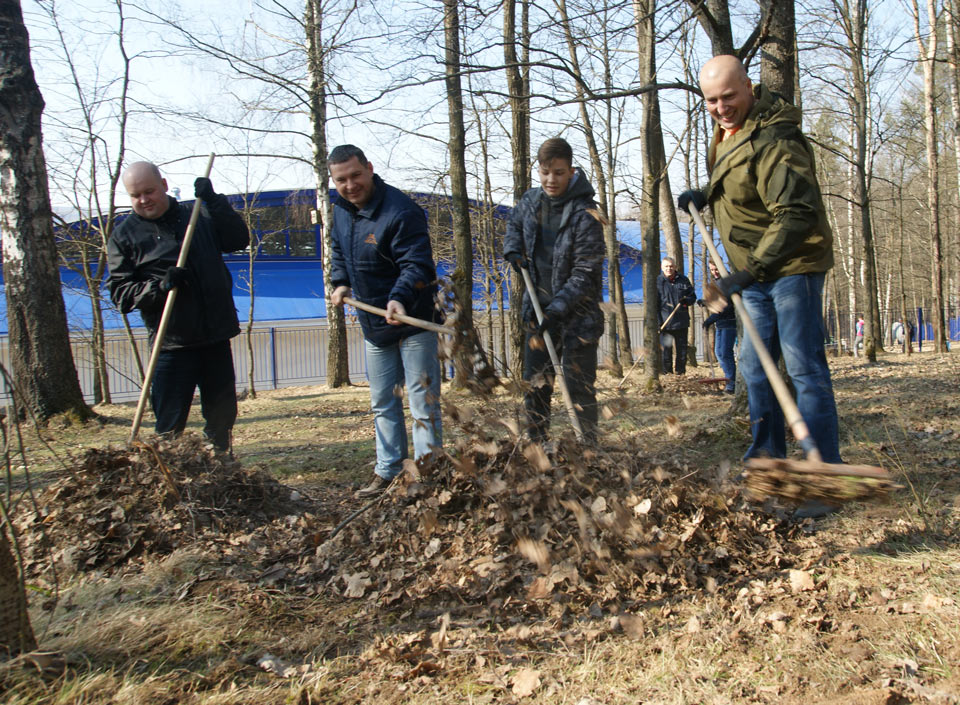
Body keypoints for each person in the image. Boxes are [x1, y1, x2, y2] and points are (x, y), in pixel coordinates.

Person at [677, 55, 841, 519]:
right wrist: (706, 192)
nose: (721, 107)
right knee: (753, 366)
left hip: (791, 265)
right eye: (711, 100)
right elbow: (740, 175)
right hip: (752, 269)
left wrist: (750, 272)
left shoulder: (778, 137)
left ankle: (823, 473)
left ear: (749, 87)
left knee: (802, 365)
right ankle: (767, 465)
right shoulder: (730, 128)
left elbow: (794, 214)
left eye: (729, 96)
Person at [107, 162, 249, 452]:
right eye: (136, 195)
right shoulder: (125, 236)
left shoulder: (198, 214)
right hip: (171, 344)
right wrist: (157, 288)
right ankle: (171, 480)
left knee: (222, 418)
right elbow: (121, 294)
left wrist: (215, 201)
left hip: (214, 336)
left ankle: (223, 470)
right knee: (169, 426)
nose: (144, 200)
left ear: (163, 184)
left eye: (149, 191)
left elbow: (238, 239)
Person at [327, 145, 442, 498]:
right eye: (341, 179)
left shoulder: (402, 211)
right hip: (374, 324)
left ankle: (428, 474)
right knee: (382, 400)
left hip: (412, 319)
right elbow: (338, 252)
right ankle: (389, 470)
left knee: (422, 400)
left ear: (369, 169)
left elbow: (417, 264)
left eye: (355, 175)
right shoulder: (340, 211)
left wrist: (399, 297)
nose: (350, 185)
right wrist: (340, 282)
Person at [503, 137, 605, 445]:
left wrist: (556, 309)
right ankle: (537, 448)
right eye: (545, 172)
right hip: (536, 311)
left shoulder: (587, 214)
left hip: (578, 319)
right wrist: (513, 251)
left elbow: (585, 273)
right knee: (536, 388)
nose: (551, 179)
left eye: (559, 172)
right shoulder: (530, 201)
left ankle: (588, 452)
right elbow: (514, 228)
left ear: (571, 171)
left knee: (579, 390)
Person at [657, 257, 697, 375]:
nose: (669, 268)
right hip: (666, 325)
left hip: (681, 323)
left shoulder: (683, 280)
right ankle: (667, 374)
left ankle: (680, 374)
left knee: (682, 352)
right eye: (666, 266)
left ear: (675, 267)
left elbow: (692, 297)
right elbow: (654, 304)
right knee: (667, 352)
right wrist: (658, 323)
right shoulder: (658, 282)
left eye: (671, 266)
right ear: (662, 267)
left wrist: (686, 301)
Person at [702, 260, 736, 393]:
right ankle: (730, 380)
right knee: (719, 353)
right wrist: (705, 302)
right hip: (720, 323)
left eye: (716, 269)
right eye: (712, 269)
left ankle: (732, 383)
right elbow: (716, 302)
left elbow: (725, 306)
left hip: (729, 322)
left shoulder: (727, 282)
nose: (714, 272)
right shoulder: (716, 283)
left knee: (725, 353)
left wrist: (710, 319)